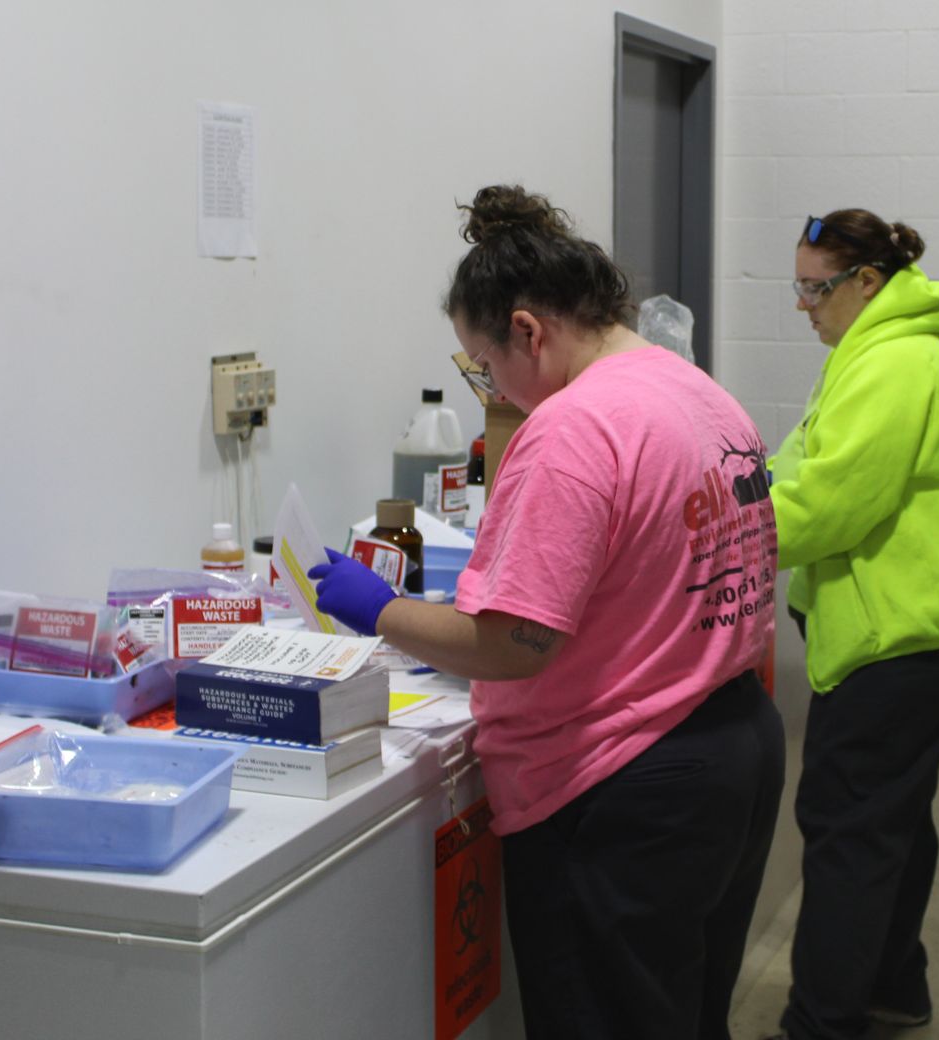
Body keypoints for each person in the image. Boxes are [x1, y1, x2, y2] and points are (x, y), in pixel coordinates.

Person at [308, 185, 785, 1040]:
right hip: (732, 746)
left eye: (483, 366)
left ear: (528, 331)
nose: (490, 387)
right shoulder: (696, 393)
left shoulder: (574, 429)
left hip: (623, 785)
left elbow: (517, 642)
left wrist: (381, 610)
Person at [768, 209, 939, 1040]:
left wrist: (705, 533)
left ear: (867, 281)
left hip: (904, 635)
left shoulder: (894, 364)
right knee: (890, 816)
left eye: (816, 288)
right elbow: (801, 461)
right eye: (798, 286)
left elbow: (826, 506)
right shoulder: (873, 352)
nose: (803, 304)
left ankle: (822, 1022)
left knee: (846, 828)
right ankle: (892, 986)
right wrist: (730, 482)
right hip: (926, 625)